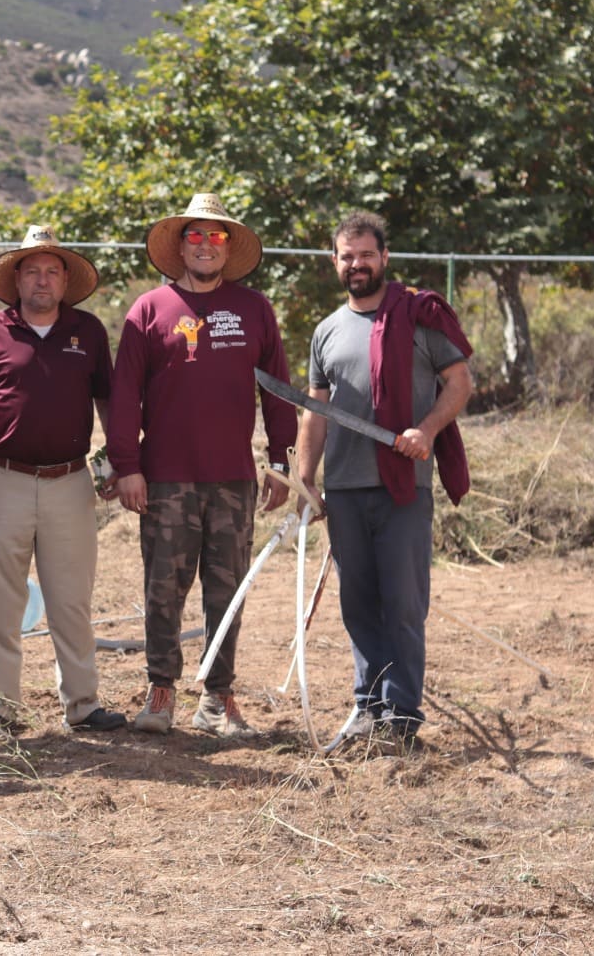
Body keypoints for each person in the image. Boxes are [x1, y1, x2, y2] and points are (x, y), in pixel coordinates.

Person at [108, 194, 298, 737]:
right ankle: (161, 690)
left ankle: (217, 698)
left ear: (228, 247)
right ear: (181, 245)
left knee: (227, 590)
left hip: (234, 478)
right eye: (195, 235)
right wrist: (127, 465)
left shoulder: (254, 309)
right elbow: (125, 396)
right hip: (164, 478)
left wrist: (280, 460)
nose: (206, 245)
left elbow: (278, 391)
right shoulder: (150, 310)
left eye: (216, 236)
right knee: (164, 588)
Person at [294, 210, 473, 747]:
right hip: (345, 489)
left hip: (403, 487)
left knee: (403, 604)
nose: (357, 264)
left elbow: (460, 382)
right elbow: (315, 412)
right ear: (334, 261)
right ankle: (368, 707)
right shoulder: (326, 331)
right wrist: (305, 480)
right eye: (347, 256)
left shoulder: (418, 317)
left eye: (366, 255)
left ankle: (402, 718)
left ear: (385, 257)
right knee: (358, 604)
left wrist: (426, 430)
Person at [0, 226, 127, 739]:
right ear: (17, 279)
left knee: (71, 599)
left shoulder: (87, 331)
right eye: (32, 271)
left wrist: (117, 461)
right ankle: (0, 706)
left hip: (69, 480)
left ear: (66, 280)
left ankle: (82, 705)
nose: (42, 280)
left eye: (52, 271)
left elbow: (107, 402)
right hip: (1, 480)